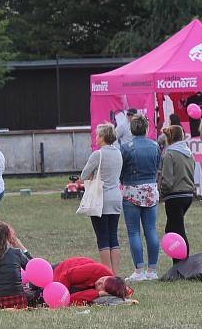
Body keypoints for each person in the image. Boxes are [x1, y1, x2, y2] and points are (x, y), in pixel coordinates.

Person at [118, 114, 161, 282]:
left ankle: (139, 270)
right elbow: (158, 166)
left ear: (131, 128)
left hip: (131, 190)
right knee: (151, 230)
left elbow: (121, 169)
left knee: (134, 231)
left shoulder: (126, 147)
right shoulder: (155, 145)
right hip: (150, 189)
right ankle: (152, 270)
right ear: (147, 128)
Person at [81, 123, 124, 273]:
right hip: (116, 197)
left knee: (102, 236)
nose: (96, 137)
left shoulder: (98, 154)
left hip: (100, 198)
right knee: (113, 235)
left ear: (104, 137)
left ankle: (107, 271)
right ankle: (116, 273)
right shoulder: (118, 152)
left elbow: (84, 175)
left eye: (98, 135)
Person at [159, 125, 195, 264]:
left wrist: (162, 192)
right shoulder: (188, 152)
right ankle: (180, 260)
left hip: (174, 196)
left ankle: (181, 262)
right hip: (187, 195)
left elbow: (167, 179)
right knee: (171, 227)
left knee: (177, 230)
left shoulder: (170, 153)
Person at [0, 222, 32, 309]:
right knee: (27, 289)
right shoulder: (16, 253)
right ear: (9, 237)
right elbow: (34, 269)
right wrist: (23, 249)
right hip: (18, 301)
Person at [53, 257, 128, 305]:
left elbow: (72, 299)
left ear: (106, 292)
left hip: (74, 283)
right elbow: (66, 276)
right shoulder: (97, 270)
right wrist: (60, 298)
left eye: (101, 285)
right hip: (59, 271)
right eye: (103, 279)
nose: (99, 282)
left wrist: (97, 294)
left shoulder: (113, 288)